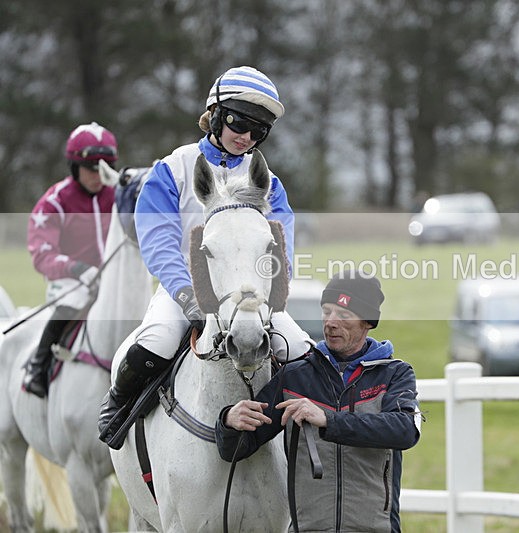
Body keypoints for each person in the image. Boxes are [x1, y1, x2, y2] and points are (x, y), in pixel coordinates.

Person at [98, 65, 311, 448]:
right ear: (215, 114)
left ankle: (315, 439)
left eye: (258, 132)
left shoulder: (268, 182)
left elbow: (281, 245)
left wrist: (273, 292)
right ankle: (118, 407)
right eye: (238, 123)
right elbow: (158, 239)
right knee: (157, 343)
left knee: (298, 350)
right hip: (182, 290)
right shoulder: (171, 169)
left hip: (251, 295)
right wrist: (185, 293)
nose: (246, 137)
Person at [216, 270, 421, 533]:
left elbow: (405, 430)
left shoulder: (396, 373)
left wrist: (328, 420)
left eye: (344, 315)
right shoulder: (294, 376)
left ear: (367, 322)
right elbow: (238, 447)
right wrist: (229, 421)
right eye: (326, 311)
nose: (331, 322)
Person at [23, 122, 118, 398]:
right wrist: (76, 268)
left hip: (110, 279)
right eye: (92, 168)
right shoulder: (54, 202)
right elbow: (42, 254)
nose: (98, 175)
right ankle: (37, 367)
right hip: (69, 280)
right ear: (74, 166)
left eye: (105, 167)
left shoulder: (117, 196)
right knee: (70, 303)